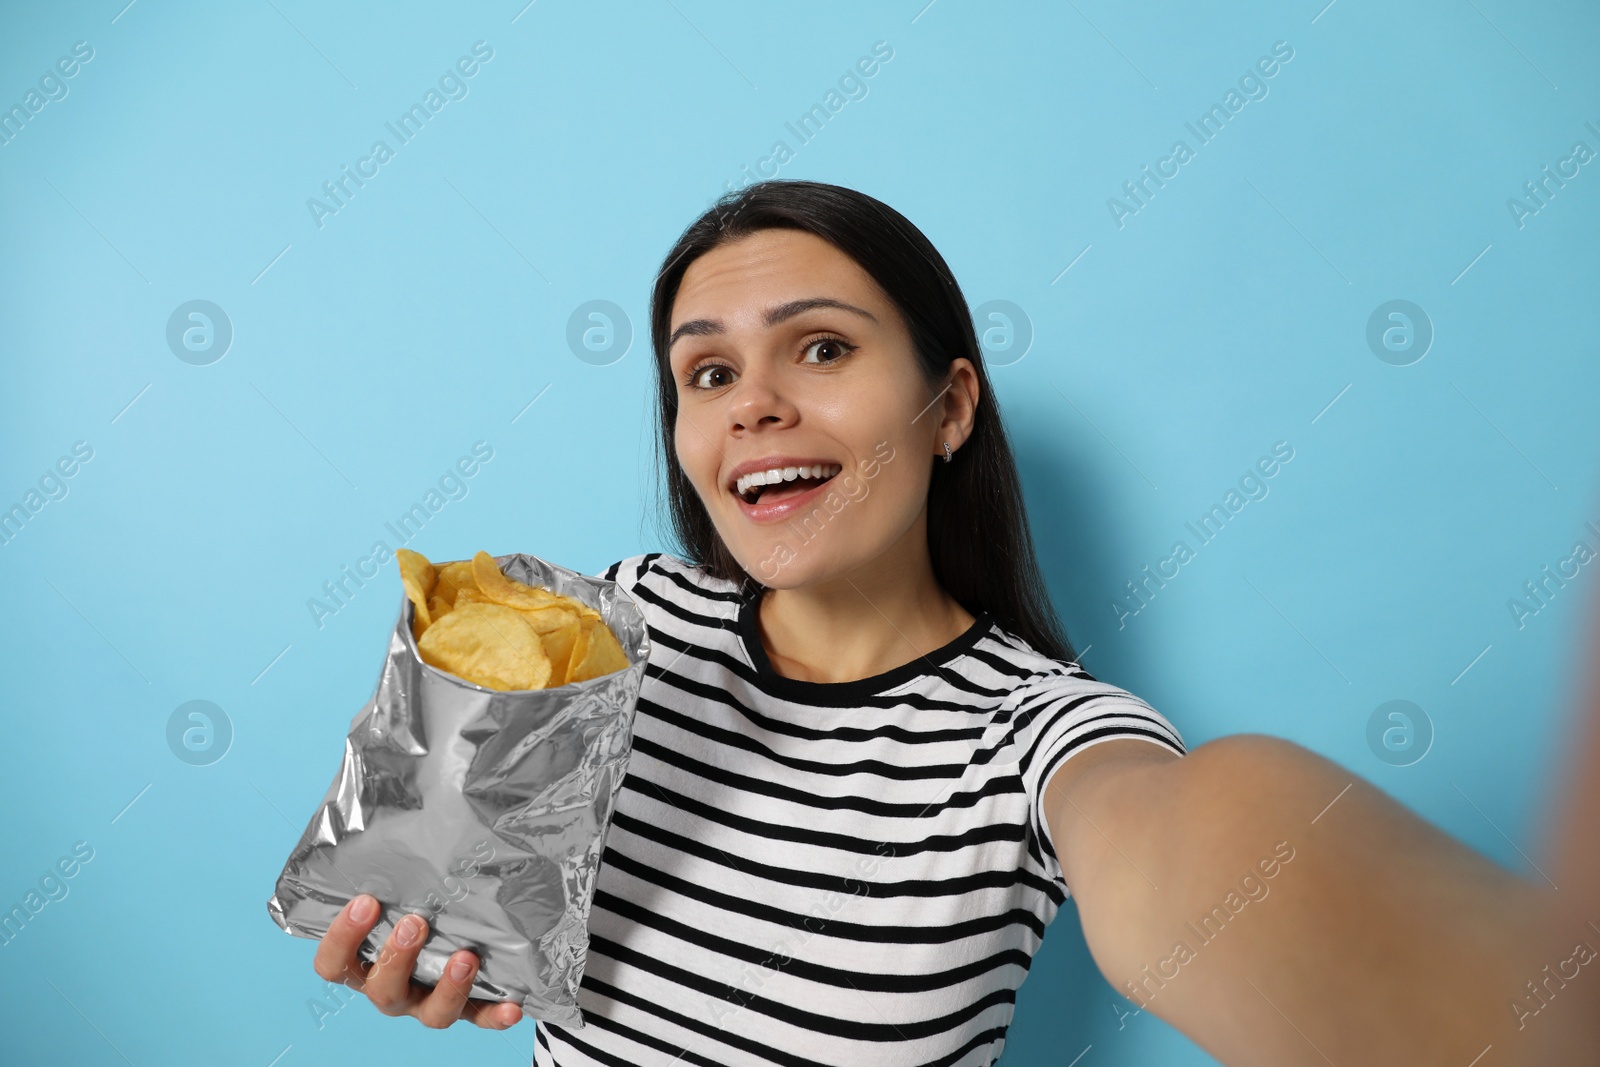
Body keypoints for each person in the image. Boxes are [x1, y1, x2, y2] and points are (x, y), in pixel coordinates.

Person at [312, 180, 1600, 1065]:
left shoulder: (1045, 742)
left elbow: (1185, 846)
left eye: (820, 349)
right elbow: (433, 880)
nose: (752, 402)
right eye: (707, 373)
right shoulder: (617, 625)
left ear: (951, 405)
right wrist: (438, 940)